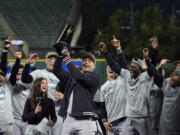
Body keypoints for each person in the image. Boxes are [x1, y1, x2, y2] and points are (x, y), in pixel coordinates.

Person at [99, 40, 163, 135]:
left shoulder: (145, 76)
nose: (131, 68)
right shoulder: (127, 75)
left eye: (134, 67)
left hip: (143, 118)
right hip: (129, 119)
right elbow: (114, 65)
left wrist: (148, 59)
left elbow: (157, 75)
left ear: (140, 69)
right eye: (131, 66)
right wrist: (105, 53)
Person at [53, 46, 102, 135]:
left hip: (85, 120)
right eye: (84, 60)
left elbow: (80, 77)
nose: (86, 62)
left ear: (94, 66)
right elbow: (57, 71)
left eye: (90, 61)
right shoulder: (72, 77)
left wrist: (67, 58)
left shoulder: (94, 77)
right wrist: (60, 55)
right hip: (68, 118)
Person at [94, 37, 134, 135]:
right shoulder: (103, 87)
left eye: (112, 67)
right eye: (108, 67)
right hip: (110, 124)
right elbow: (102, 107)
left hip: (125, 122)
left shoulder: (124, 77)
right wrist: (104, 121)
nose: (110, 68)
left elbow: (123, 64)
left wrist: (117, 49)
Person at [21, 52, 63, 135]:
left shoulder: (62, 75)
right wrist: (28, 64)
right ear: (46, 61)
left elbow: (71, 93)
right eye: (50, 59)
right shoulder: (39, 73)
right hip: (42, 111)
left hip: (57, 112)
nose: (52, 61)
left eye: (55, 60)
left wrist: (64, 96)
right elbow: (25, 79)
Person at [10, 52, 32, 135]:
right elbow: (12, 77)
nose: (19, 73)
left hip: (28, 118)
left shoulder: (30, 84)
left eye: (21, 72)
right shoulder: (11, 84)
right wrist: (18, 60)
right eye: (17, 72)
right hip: (15, 119)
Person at [158, 62, 180, 135]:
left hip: (175, 129)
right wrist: (160, 67)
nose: (171, 77)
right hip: (163, 127)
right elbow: (157, 77)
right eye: (172, 74)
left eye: (175, 75)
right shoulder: (167, 82)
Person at [0, 39, 14, 135]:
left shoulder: (7, 85)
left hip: (7, 122)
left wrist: (5, 50)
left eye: (1, 75)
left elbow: (3, 66)